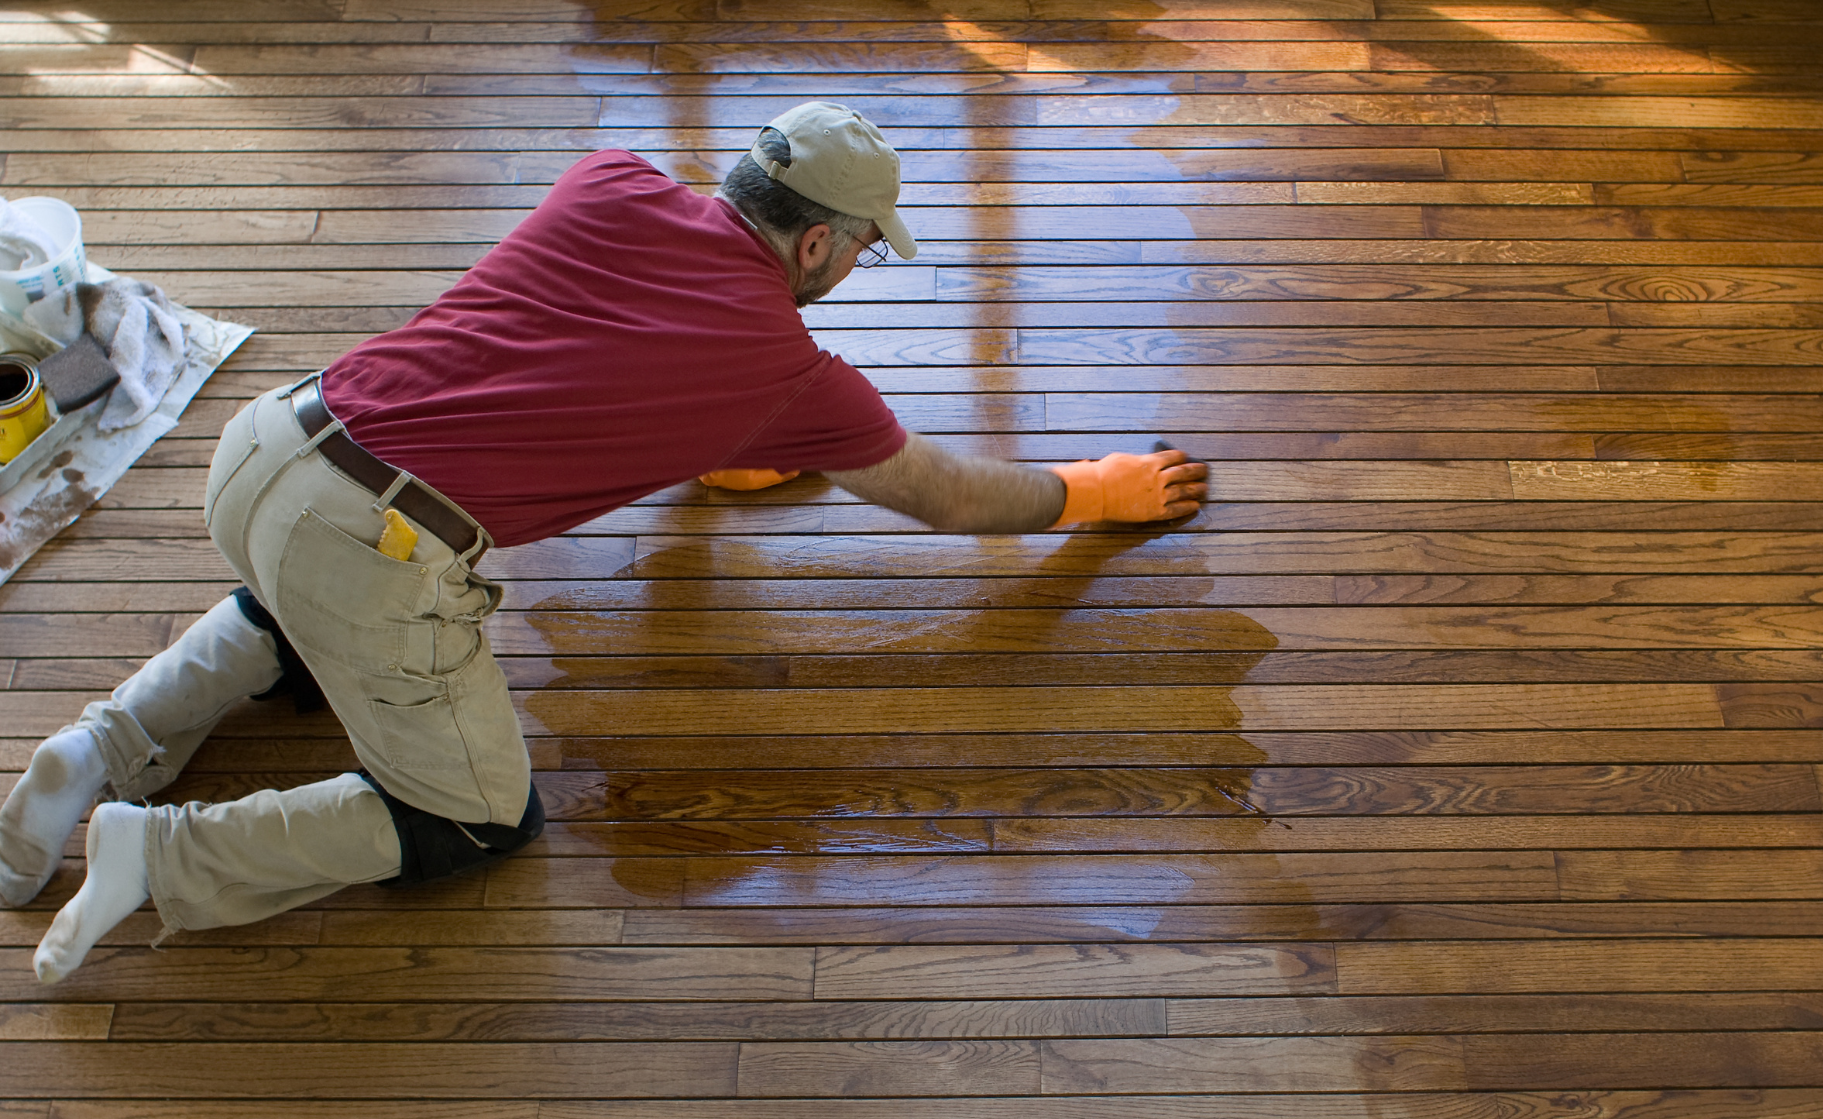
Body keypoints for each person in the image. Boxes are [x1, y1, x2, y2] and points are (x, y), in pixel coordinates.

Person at [0, 102, 1207, 984]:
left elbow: (589, 349)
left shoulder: (607, 181)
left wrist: (724, 444)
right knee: (471, 819)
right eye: (862, 249)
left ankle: (93, 747)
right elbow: (947, 499)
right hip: (369, 544)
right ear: (817, 246)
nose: (854, 269)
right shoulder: (790, 368)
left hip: (269, 446)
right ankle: (157, 851)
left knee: (296, 613)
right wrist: (1091, 492)